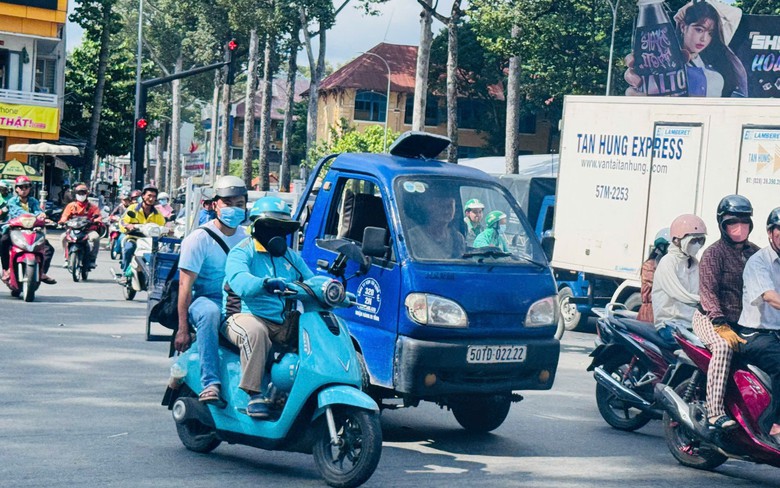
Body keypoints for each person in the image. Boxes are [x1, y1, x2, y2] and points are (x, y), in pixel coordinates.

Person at [222, 196, 313, 418]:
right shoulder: (243, 252)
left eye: (283, 228)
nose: (278, 233)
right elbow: (240, 281)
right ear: (256, 227)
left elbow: (310, 282)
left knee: (314, 331)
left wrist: (332, 290)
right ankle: (254, 394)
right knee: (256, 332)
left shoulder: (290, 257)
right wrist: (263, 283)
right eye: (271, 227)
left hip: (282, 322)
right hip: (242, 317)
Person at [174, 175, 249, 405]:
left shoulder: (246, 238)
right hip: (207, 300)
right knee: (210, 313)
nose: (234, 210)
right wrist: (183, 329)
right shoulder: (198, 239)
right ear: (215, 204)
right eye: (228, 203)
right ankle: (210, 383)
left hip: (238, 301)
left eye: (240, 205)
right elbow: (185, 286)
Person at [693, 195, 759, 430]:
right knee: (723, 347)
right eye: (733, 223)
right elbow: (708, 292)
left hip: (742, 322)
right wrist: (720, 323)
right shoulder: (713, 254)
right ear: (722, 224)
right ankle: (714, 412)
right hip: (709, 318)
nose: (739, 228)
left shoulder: (754, 252)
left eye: (744, 222)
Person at [625, 0, 746, 97]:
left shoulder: (714, 77)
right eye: (699, 29)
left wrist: (699, 3)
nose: (704, 39)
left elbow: (735, 14)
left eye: (710, 33)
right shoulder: (661, 62)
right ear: (683, 27)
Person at [738, 207, 780, 442]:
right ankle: (772, 424)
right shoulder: (759, 263)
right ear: (770, 232)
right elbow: (771, 298)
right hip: (754, 335)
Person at [652, 214, 706, 344]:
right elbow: (678, 294)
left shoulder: (694, 263)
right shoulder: (668, 262)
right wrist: (705, 303)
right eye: (693, 241)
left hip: (691, 325)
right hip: (669, 325)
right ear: (676, 240)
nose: (697, 245)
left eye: (700, 240)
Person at [0, 176, 56, 284]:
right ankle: (6, 270)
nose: (23, 189)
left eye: (26, 187)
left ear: (30, 189)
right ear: (16, 189)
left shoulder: (33, 201)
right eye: (21, 187)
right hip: (14, 230)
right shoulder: (12, 201)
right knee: (3, 241)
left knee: (49, 249)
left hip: (33, 230)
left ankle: (42, 272)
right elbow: (18, 212)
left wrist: (42, 215)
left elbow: (38, 211)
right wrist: (36, 216)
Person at [405, 188, 466, 260]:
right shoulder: (413, 237)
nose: (446, 211)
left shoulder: (458, 238)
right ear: (431, 208)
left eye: (449, 207)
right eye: (442, 207)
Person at [119, 185, 165, 273]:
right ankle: (124, 273)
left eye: (154, 196)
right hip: (134, 239)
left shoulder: (158, 214)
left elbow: (162, 226)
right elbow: (123, 221)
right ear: (143, 196)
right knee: (129, 249)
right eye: (149, 196)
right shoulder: (133, 208)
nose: (151, 199)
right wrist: (128, 226)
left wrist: (169, 230)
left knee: (161, 254)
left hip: (150, 242)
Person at [59, 183, 103, 269]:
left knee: (95, 237)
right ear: (76, 194)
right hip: (72, 230)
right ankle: (66, 258)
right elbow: (64, 216)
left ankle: (92, 259)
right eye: (79, 193)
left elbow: (98, 216)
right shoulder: (71, 206)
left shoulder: (92, 206)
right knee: (63, 237)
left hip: (88, 230)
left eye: (83, 193)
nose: (81, 195)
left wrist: (96, 221)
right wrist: (62, 221)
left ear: (86, 194)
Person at [636, 228, 671, 323]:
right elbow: (660, 285)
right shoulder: (649, 265)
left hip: (665, 312)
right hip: (650, 312)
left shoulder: (670, 265)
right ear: (661, 247)